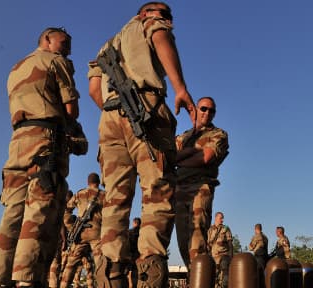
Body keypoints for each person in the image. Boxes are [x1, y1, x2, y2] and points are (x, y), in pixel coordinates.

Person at [87, 2, 196, 287]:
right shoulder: (150, 25)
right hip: (144, 109)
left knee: (114, 199)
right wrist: (180, 89)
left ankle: (109, 275)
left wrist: (113, 111)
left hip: (109, 118)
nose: (169, 21)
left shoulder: (107, 45)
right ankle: (150, 274)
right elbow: (160, 38)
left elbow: (93, 89)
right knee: (158, 192)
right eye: (165, 15)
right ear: (147, 13)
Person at [0, 27, 80, 288]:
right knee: (39, 211)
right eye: (64, 43)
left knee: (13, 214)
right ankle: (27, 280)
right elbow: (71, 110)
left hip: (18, 141)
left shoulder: (16, 68)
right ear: (47, 40)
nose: (68, 49)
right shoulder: (56, 62)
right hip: (45, 140)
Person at [175, 96, 229, 268]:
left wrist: (179, 159)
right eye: (203, 108)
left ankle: (201, 281)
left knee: (197, 238)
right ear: (196, 110)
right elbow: (169, 155)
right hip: (179, 189)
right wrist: (192, 152)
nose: (207, 112)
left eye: (211, 110)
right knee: (183, 241)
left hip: (200, 188)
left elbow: (206, 157)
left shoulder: (218, 134)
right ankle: (195, 277)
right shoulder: (183, 137)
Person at [59, 173, 105, 288]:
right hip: (97, 232)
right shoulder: (104, 195)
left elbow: (66, 211)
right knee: (101, 264)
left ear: (87, 182)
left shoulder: (80, 194)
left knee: (71, 265)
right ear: (98, 182)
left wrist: (70, 226)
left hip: (80, 233)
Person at [207, 212, 233, 288]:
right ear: (216, 218)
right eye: (221, 218)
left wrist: (231, 257)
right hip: (213, 257)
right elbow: (208, 245)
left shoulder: (226, 229)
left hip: (223, 256)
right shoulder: (210, 230)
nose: (222, 220)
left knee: (224, 279)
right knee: (213, 278)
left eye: (223, 218)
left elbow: (230, 243)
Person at [127, 218, 141, 288]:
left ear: (134, 223)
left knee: (130, 274)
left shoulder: (129, 232)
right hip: (141, 256)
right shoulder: (143, 233)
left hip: (131, 256)